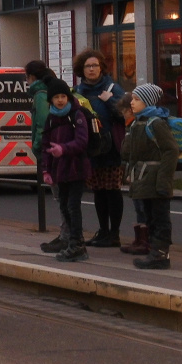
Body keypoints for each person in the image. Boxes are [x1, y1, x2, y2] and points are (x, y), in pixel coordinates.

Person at [73, 48, 127, 247]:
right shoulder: (78, 92)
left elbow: (126, 114)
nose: (91, 69)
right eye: (87, 66)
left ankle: (114, 234)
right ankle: (103, 231)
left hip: (111, 148)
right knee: (98, 191)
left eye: (95, 65)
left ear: (101, 67)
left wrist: (109, 100)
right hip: (92, 148)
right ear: (81, 69)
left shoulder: (113, 88)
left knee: (112, 190)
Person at [121, 83, 178, 270]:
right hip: (144, 177)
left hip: (154, 178)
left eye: (137, 99)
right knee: (150, 216)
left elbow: (171, 151)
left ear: (148, 102)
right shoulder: (138, 122)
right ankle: (155, 251)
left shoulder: (156, 123)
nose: (132, 103)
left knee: (159, 217)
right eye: (133, 99)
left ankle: (161, 254)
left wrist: (164, 180)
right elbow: (130, 154)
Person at [42, 79, 92, 262]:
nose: (60, 100)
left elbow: (82, 141)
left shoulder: (76, 115)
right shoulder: (51, 118)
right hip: (59, 170)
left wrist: (63, 149)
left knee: (73, 206)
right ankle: (74, 242)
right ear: (51, 100)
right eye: (56, 97)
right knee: (64, 205)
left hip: (76, 167)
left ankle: (78, 244)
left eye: (63, 96)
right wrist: (46, 170)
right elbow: (45, 145)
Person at [26, 60, 67, 254]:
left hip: (51, 152)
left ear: (31, 77)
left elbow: (43, 125)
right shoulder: (49, 92)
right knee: (64, 197)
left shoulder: (41, 96)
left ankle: (67, 237)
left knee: (62, 197)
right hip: (58, 150)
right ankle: (68, 235)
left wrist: (37, 148)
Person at [113, 93, 149, 255]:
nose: (123, 115)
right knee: (138, 206)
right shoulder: (131, 126)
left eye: (124, 111)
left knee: (143, 206)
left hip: (140, 172)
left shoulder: (137, 126)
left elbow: (133, 152)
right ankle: (141, 239)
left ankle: (145, 241)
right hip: (135, 172)